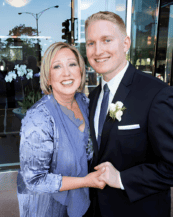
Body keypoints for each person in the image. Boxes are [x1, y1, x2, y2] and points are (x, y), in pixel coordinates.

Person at [84, 11, 173, 217]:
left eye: (106, 40)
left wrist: (121, 179)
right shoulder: (92, 98)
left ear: (126, 43)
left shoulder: (157, 94)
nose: (98, 50)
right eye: (91, 43)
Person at [17, 42, 106, 217]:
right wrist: (85, 181)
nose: (67, 72)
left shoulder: (86, 103)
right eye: (57, 66)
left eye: (72, 64)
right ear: (48, 78)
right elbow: (34, 179)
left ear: (81, 70)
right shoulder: (38, 118)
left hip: (83, 204)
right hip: (48, 208)